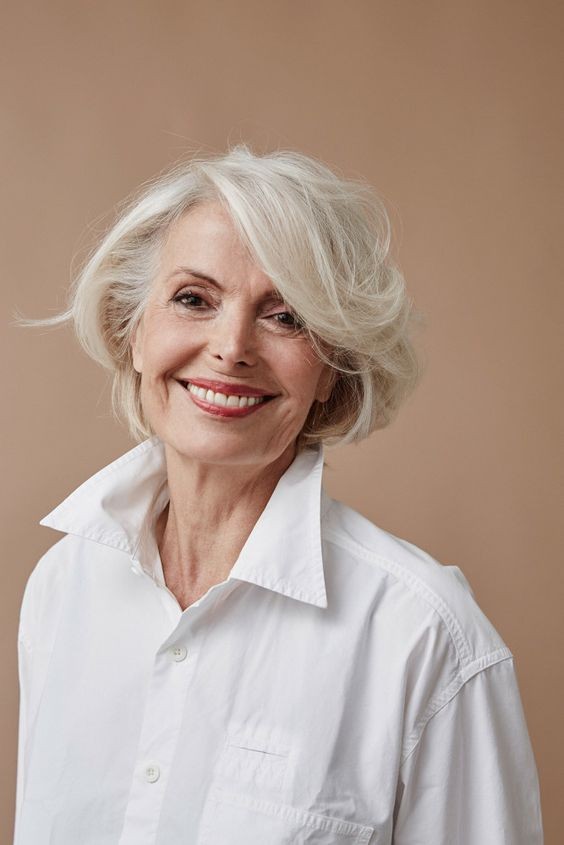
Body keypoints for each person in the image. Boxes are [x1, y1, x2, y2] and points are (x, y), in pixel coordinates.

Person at [14, 145, 543, 844]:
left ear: (332, 367)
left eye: (286, 315)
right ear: (134, 331)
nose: (232, 346)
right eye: (193, 299)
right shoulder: (63, 586)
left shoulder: (426, 638)